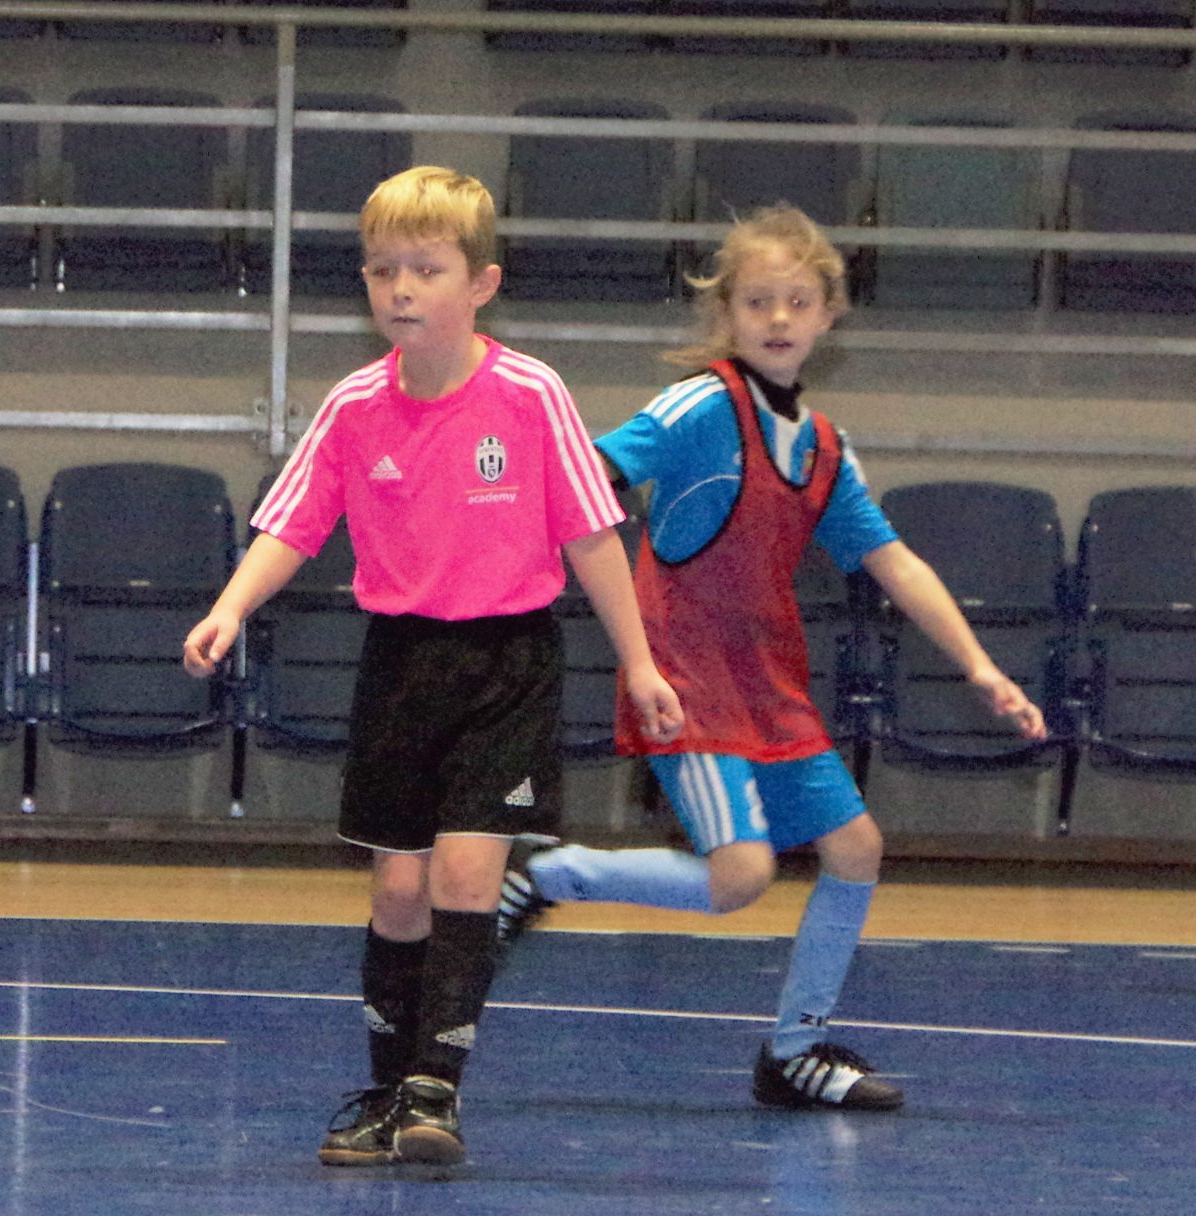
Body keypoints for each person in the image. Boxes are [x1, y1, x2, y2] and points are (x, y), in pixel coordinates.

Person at [182, 166, 683, 1167]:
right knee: (399, 892)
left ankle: (433, 1092)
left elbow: (591, 534)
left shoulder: (531, 395)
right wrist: (230, 606)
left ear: (481, 283)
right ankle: (384, 1090)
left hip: (508, 660)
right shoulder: (354, 405)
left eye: (425, 268)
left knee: (464, 870)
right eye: (382, 271)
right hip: (401, 665)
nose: (401, 289)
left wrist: (640, 663)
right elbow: (293, 523)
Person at [495, 205, 1047, 1111]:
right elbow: (589, 475)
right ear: (727, 314)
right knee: (741, 876)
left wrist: (980, 666)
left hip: (769, 685)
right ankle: (546, 872)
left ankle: (794, 1052)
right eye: (758, 302)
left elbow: (894, 562)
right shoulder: (699, 406)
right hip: (685, 678)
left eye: (797, 301)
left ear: (829, 314)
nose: (779, 318)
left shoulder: (823, 448)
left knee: (856, 848)